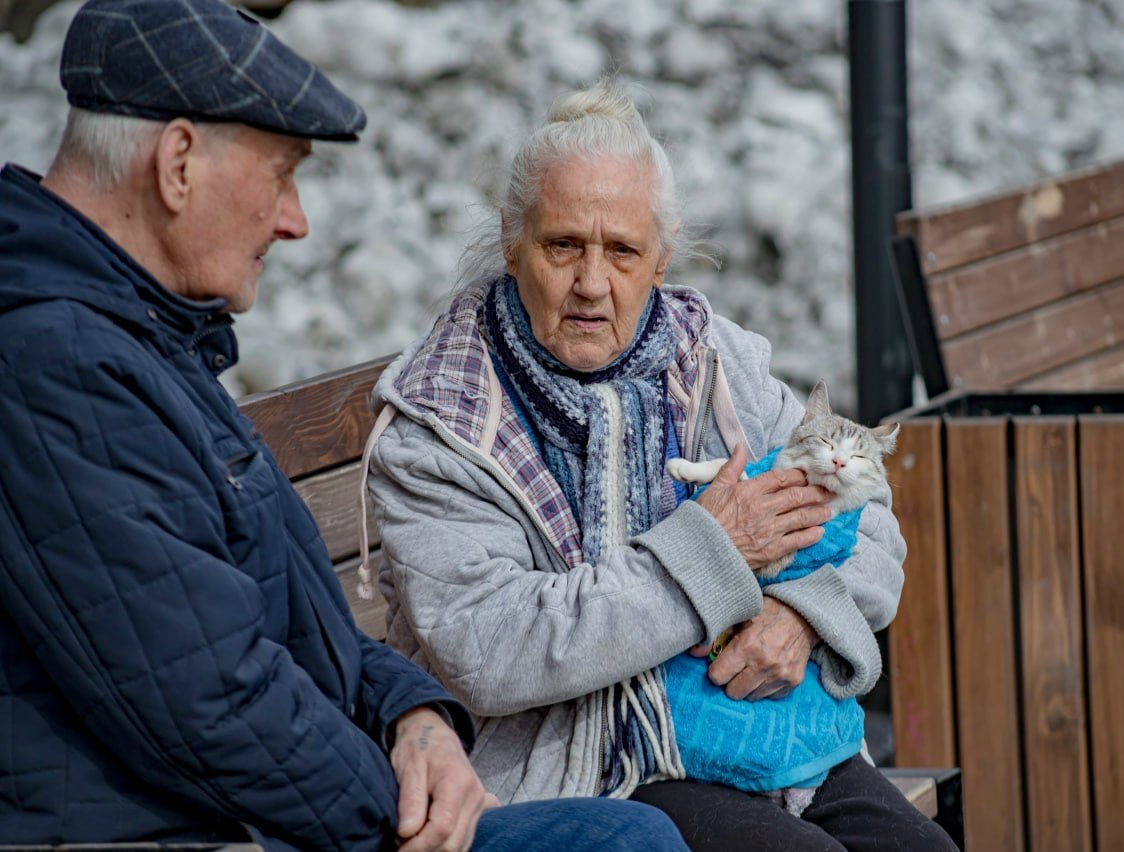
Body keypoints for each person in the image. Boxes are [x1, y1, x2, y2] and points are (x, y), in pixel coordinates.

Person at [0, 3, 690, 851]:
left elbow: (304, 623)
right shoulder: (55, 362)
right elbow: (213, 704)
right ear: (177, 164)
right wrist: (402, 815)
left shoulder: (141, 336)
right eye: (281, 176)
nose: (295, 220)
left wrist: (416, 720)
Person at [364, 78, 959, 852]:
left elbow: (866, 518)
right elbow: (492, 649)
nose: (591, 283)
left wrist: (801, 616)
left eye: (622, 251)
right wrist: (713, 553)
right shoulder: (443, 419)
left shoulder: (714, 359)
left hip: (760, 735)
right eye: (562, 246)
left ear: (662, 256)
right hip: (586, 767)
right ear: (513, 240)